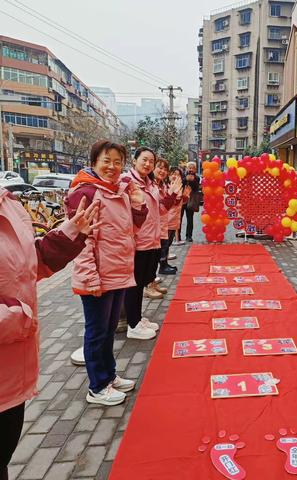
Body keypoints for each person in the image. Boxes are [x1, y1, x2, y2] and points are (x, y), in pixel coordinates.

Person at [0, 187, 98, 480]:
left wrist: (70, 233)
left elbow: (28, 264)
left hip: (12, 371)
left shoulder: (9, 202)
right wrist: (20, 317)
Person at [65, 140, 148, 406]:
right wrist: (90, 278)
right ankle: (97, 387)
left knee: (109, 329)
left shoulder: (118, 190)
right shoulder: (86, 193)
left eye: (117, 161)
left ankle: (109, 376)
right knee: (97, 331)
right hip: (97, 275)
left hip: (118, 271)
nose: (112, 167)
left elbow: (130, 227)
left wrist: (138, 204)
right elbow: (81, 241)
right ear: (94, 162)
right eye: (106, 161)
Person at [122, 147, 168, 341]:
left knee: (141, 283)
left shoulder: (150, 184)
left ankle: (137, 318)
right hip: (137, 242)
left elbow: (160, 210)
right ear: (134, 160)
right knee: (133, 285)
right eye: (144, 160)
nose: (148, 164)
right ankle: (132, 325)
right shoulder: (127, 181)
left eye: (151, 161)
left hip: (152, 240)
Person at [152, 158, 183, 277]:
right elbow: (162, 206)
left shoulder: (162, 185)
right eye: (160, 167)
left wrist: (181, 197)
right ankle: (153, 278)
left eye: (165, 168)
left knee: (166, 244)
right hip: (162, 222)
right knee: (161, 247)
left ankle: (162, 267)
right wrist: (174, 194)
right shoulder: (154, 185)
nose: (162, 171)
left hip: (168, 220)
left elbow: (172, 204)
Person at [168, 167, 191, 252]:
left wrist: (185, 197)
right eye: (173, 174)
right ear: (169, 175)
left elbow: (180, 203)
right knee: (166, 241)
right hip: (167, 219)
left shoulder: (180, 187)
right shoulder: (166, 185)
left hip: (175, 218)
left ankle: (165, 260)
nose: (175, 176)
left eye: (178, 175)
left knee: (169, 240)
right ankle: (164, 260)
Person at [182, 161, 200, 242]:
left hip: (191, 200)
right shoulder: (183, 176)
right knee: (179, 219)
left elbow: (196, 188)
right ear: (186, 168)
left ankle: (189, 236)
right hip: (182, 200)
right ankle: (177, 236)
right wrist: (186, 179)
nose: (191, 169)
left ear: (195, 169)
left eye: (192, 168)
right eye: (189, 167)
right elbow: (181, 184)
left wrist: (192, 180)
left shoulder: (197, 178)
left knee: (190, 219)